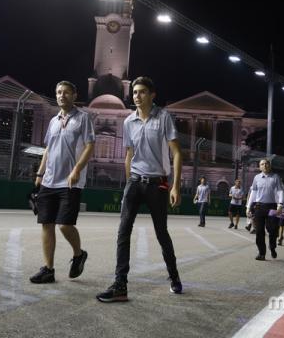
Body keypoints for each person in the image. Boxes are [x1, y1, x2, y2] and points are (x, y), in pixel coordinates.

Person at [97, 76, 183, 302]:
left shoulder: (164, 117)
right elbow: (129, 154)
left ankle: (174, 277)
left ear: (152, 95)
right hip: (135, 182)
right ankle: (120, 285)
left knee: (161, 233)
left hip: (158, 184)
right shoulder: (128, 122)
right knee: (123, 232)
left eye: (142, 92)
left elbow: (176, 153)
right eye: (134, 92)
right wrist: (128, 183)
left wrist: (175, 186)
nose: (137, 96)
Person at [29, 81, 95, 283]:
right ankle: (48, 269)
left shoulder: (83, 118)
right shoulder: (53, 121)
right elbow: (48, 149)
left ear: (74, 95)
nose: (61, 95)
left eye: (66, 92)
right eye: (58, 92)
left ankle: (78, 254)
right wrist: (40, 174)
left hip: (70, 182)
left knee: (64, 225)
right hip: (49, 180)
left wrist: (77, 169)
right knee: (46, 224)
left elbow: (89, 146)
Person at [246, 159, 284, 261]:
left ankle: (272, 247)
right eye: (262, 164)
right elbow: (253, 193)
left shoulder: (275, 177)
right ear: (260, 166)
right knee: (259, 231)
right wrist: (248, 207)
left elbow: (280, 191)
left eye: (267, 163)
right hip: (259, 207)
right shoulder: (257, 178)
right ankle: (261, 253)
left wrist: (280, 205)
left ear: (270, 165)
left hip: (272, 207)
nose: (265, 165)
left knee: (272, 230)